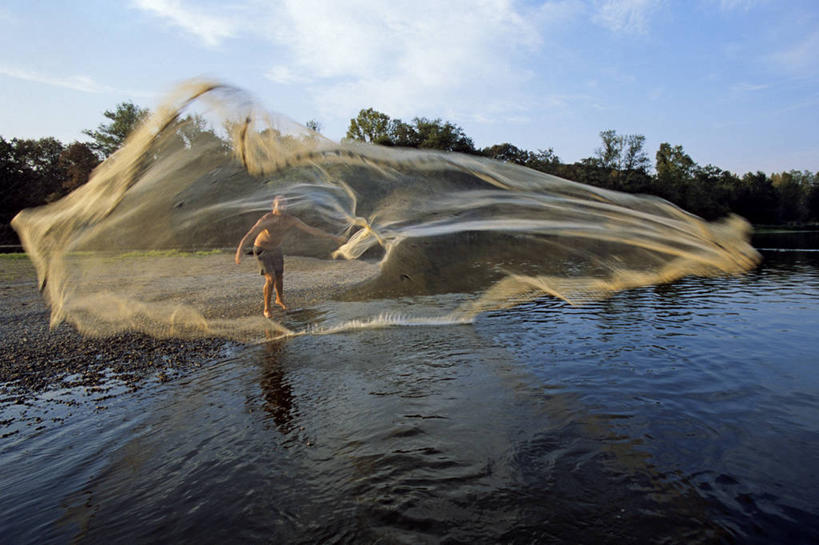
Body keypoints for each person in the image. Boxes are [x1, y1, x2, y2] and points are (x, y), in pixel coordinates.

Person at [235, 196, 344, 317]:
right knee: (270, 279)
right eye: (280, 204)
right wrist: (240, 250)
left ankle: (279, 299)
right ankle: (267, 308)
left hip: (276, 249)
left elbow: (312, 230)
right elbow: (250, 234)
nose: (283, 206)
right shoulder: (267, 219)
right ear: (273, 206)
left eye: (285, 204)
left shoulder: (290, 220)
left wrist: (334, 237)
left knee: (279, 277)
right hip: (261, 249)